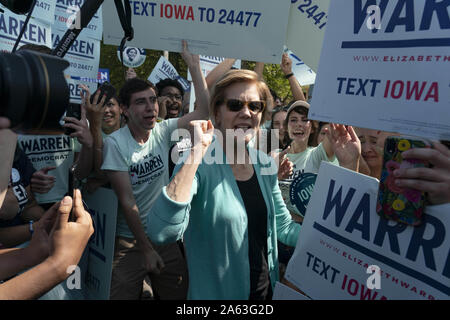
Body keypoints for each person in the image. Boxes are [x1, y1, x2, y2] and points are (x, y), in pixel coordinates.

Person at [147, 69, 360, 300]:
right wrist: (196, 152)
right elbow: (162, 232)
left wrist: (350, 164)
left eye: (255, 106)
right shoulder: (198, 162)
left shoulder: (264, 164)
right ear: (217, 113)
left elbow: (285, 229)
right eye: (235, 105)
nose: (246, 113)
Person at [102, 40, 209, 300]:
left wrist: (194, 67)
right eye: (141, 102)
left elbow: (204, 111)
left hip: (165, 239)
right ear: (125, 110)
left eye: (153, 100)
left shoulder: (162, 129)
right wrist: (146, 248)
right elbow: (128, 202)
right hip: (128, 243)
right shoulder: (114, 144)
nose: (151, 107)